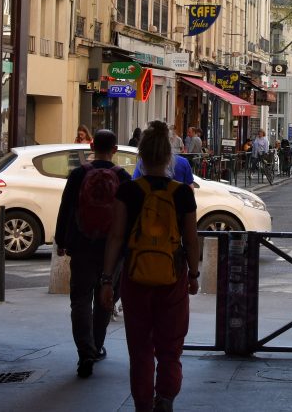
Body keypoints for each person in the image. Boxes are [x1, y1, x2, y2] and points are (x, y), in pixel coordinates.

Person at [100, 121, 200, 412]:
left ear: (140, 156)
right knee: (170, 347)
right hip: (172, 277)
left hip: (135, 277)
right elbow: (191, 241)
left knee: (140, 347)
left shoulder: (128, 191)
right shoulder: (182, 193)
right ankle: (165, 398)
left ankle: (143, 404)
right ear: (169, 157)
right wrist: (193, 275)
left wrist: (107, 280)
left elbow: (116, 238)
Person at [54, 129, 132, 378]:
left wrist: (61, 240)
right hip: (112, 249)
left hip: (82, 244)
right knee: (105, 298)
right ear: (115, 150)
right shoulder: (123, 177)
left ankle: (85, 351)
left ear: (91, 146)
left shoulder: (78, 174)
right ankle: (97, 346)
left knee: (79, 299)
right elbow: (129, 216)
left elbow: (66, 208)